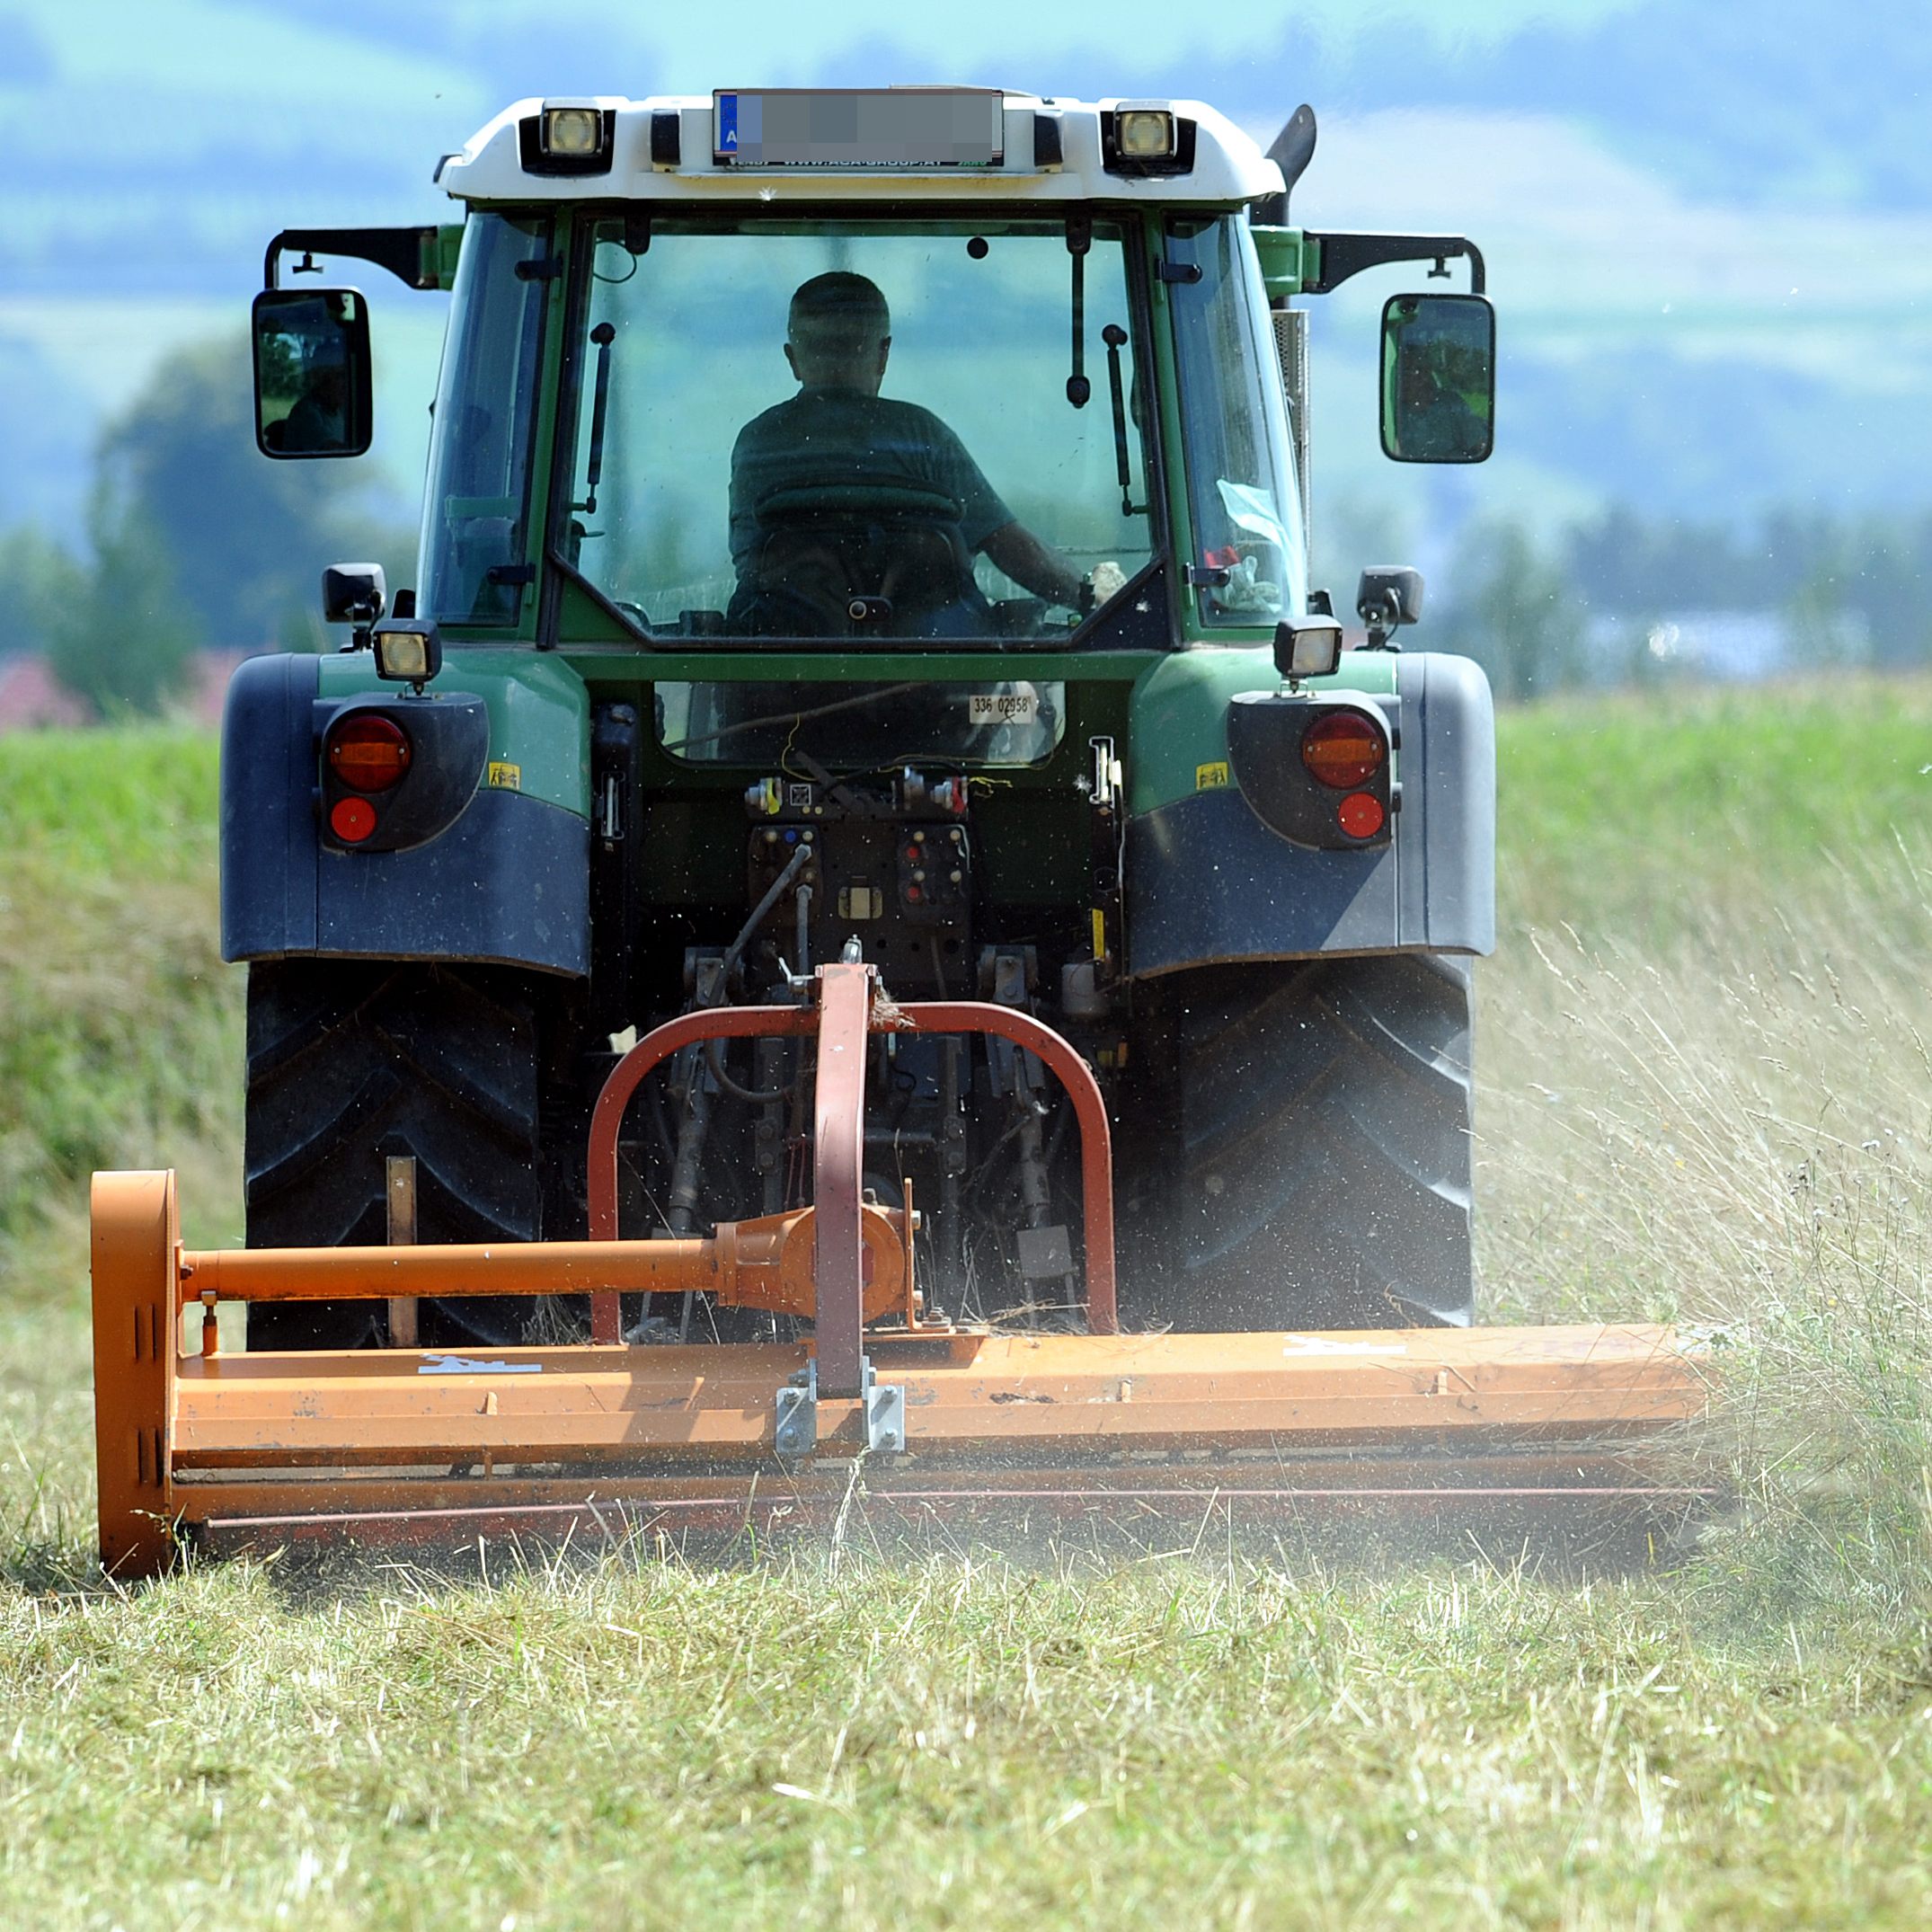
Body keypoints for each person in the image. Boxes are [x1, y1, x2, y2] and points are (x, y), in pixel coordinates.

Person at [728, 272, 1107, 635]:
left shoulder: (758, 442)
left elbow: (751, 569)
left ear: (792, 359)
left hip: (784, 683)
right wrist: (1093, 597)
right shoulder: (922, 434)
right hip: (935, 686)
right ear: (883, 354)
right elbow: (1014, 551)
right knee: (1024, 692)